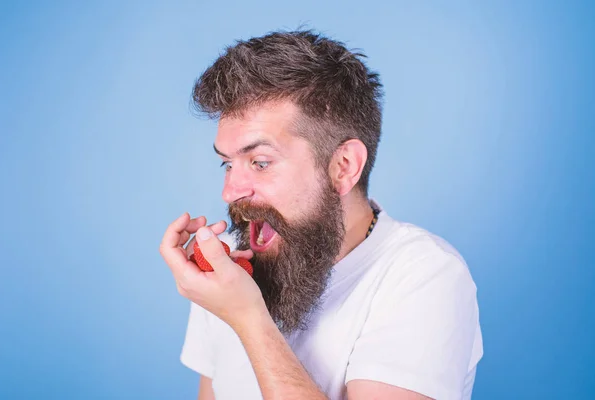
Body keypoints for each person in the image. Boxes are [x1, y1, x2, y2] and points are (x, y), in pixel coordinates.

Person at [159, 29, 483, 400]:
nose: (230, 191)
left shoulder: (424, 276)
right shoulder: (230, 271)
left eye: (260, 162)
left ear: (343, 167)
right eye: (226, 164)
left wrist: (249, 320)